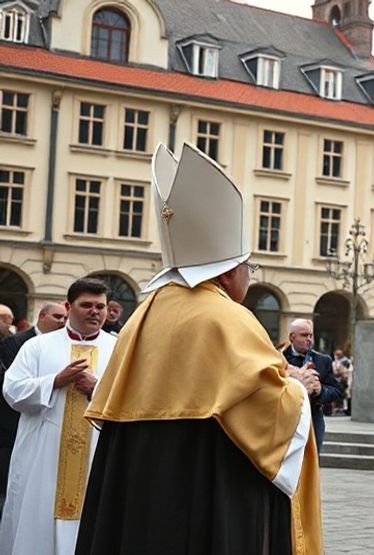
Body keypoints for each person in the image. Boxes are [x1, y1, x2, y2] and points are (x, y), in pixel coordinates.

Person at [75, 143, 321, 554]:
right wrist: (295, 385)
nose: (249, 276)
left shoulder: (145, 314)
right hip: (209, 492)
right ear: (227, 270)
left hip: (142, 495)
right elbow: (270, 415)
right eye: (249, 266)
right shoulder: (227, 318)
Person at [0, 279, 114, 554]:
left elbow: (133, 397)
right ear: (68, 306)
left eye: (100, 306)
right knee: (36, 523)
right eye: (86, 305)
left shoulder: (118, 348)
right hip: (43, 458)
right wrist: (54, 381)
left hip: (95, 456)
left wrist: (96, 389)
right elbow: (12, 390)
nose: (94, 312)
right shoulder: (38, 347)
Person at [0, 302, 67, 513]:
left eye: (64, 318)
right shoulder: (17, 342)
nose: (62, 322)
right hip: (15, 424)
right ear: (42, 316)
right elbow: (12, 385)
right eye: (58, 317)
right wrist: (53, 382)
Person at [282, 319, 343, 454]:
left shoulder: (323, 360)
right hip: (285, 419)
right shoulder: (279, 358)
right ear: (292, 337)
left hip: (313, 419)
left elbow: (336, 391)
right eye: (304, 335)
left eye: (310, 335)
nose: (309, 339)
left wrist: (320, 390)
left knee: (312, 462)